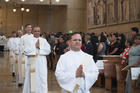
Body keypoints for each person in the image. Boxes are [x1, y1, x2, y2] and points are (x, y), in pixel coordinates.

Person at [22, 27, 51, 93]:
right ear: (33, 32)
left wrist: (39, 47)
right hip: (32, 63)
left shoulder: (44, 40)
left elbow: (48, 50)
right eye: (35, 31)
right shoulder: (28, 40)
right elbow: (25, 51)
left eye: (38, 31)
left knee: (42, 78)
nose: (37, 32)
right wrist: (35, 47)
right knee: (31, 79)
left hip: (41, 63)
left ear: (40, 32)